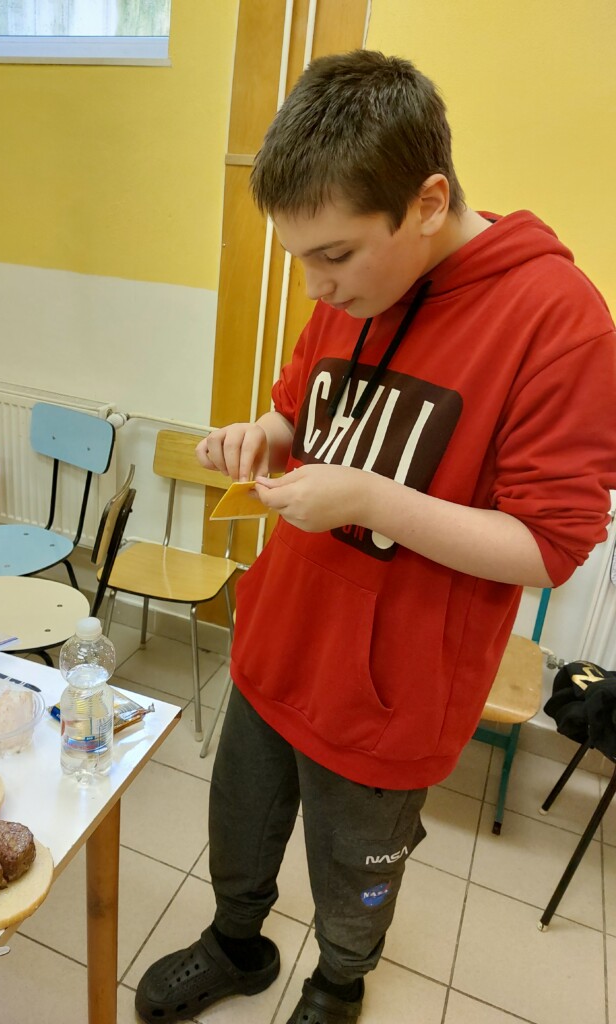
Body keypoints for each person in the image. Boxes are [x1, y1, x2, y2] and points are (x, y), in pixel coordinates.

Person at [135, 49, 616, 1024]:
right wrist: (263, 435)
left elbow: (549, 547)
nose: (316, 286)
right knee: (240, 821)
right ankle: (236, 942)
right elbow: (299, 408)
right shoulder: (351, 291)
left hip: (393, 691)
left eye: (336, 255)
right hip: (281, 639)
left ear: (428, 202)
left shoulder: (559, 320)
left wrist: (371, 498)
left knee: (357, 864)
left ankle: (338, 982)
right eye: (299, 259)